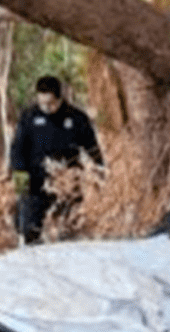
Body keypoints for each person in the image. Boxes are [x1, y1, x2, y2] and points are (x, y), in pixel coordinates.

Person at [9, 75, 104, 244]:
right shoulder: (29, 117)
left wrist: (99, 171)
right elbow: (18, 148)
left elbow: (92, 148)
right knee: (29, 230)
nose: (46, 107)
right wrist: (19, 175)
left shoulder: (77, 118)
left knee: (67, 233)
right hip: (35, 183)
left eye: (50, 103)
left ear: (60, 98)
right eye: (42, 103)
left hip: (67, 186)